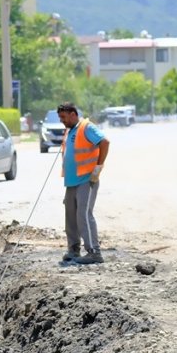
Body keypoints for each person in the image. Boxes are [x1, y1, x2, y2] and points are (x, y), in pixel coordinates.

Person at [58, 102, 110, 264]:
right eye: (61, 118)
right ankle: (73, 250)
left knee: (84, 214)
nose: (62, 121)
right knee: (71, 215)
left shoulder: (86, 127)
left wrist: (98, 167)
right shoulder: (70, 131)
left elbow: (105, 142)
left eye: (64, 117)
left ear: (73, 114)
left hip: (87, 180)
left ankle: (94, 252)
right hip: (72, 181)